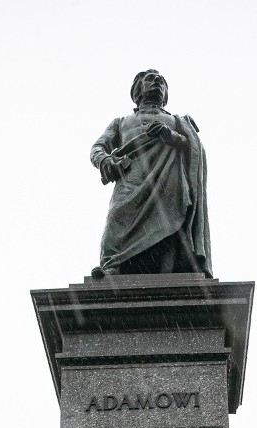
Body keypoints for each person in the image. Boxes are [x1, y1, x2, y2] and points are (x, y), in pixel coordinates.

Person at [90, 69, 212, 277]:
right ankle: (111, 265)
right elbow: (97, 148)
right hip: (132, 179)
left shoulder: (177, 121)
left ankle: (170, 270)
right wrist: (106, 160)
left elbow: (192, 149)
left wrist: (170, 135)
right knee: (117, 220)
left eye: (161, 81)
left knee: (170, 223)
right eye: (151, 79)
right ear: (138, 90)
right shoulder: (121, 122)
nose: (157, 83)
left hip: (168, 179)